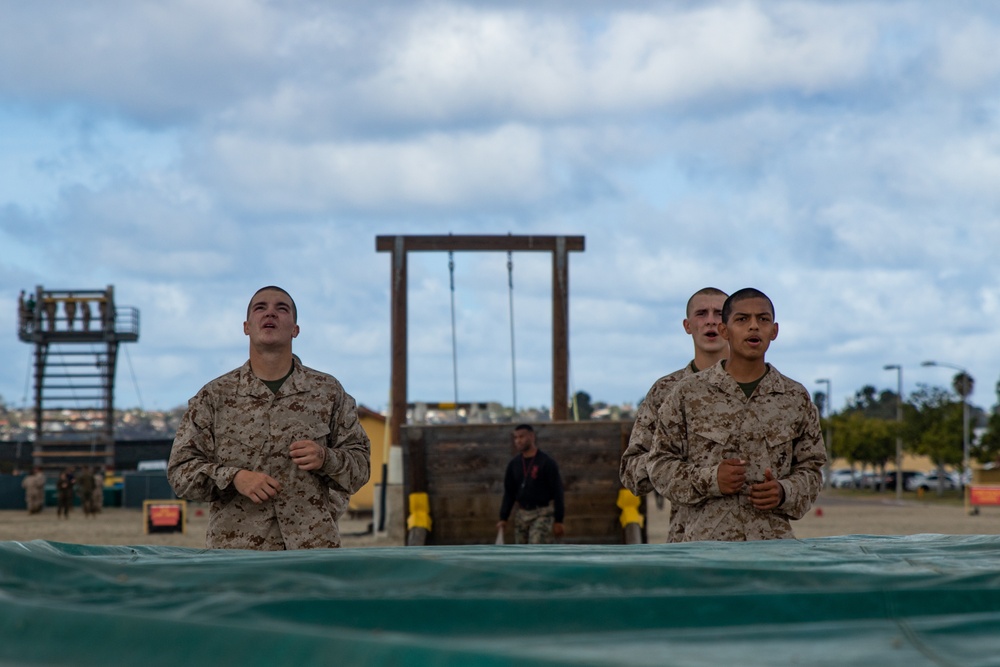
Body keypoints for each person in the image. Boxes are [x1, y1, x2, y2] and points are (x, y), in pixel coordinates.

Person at [167, 286, 371, 550]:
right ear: (246, 327)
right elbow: (180, 473)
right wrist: (234, 477)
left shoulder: (328, 392)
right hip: (239, 556)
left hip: (312, 553)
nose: (270, 313)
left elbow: (361, 468)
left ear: (295, 329)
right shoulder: (215, 396)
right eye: (260, 308)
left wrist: (325, 458)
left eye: (281, 308)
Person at [646, 288, 826, 542]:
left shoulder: (795, 398)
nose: (754, 327)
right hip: (704, 550)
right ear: (724, 330)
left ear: (774, 331)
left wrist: (784, 492)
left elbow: (812, 469)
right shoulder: (687, 394)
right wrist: (711, 479)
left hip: (771, 549)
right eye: (742, 319)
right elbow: (659, 465)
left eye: (763, 319)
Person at [620, 287, 729, 521]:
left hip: (757, 542)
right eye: (701, 313)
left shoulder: (763, 388)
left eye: (719, 313)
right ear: (687, 325)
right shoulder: (665, 391)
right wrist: (674, 464)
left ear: (731, 324)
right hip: (690, 536)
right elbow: (631, 472)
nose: (710, 321)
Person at [497, 424, 565, 544]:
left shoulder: (546, 462)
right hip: (521, 513)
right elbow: (509, 492)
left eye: (522, 437)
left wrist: (559, 520)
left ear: (532, 437)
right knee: (521, 550)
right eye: (516, 437)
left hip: (542, 512)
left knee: (536, 545)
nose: (518, 441)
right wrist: (503, 517)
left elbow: (558, 491)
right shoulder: (514, 464)